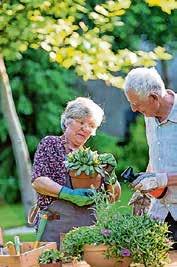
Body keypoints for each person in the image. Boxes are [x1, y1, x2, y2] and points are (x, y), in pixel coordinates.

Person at [31, 97, 121, 248]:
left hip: (90, 233)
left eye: (91, 125)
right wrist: (69, 194)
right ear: (67, 121)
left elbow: (113, 198)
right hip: (56, 230)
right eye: (81, 122)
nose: (86, 128)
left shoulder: (93, 159)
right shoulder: (51, 144)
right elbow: (38, 181)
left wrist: (110, 176)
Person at [124, 67, 177, 249]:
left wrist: (161, 179)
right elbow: (156, 157)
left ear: (154, 98)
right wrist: (145, 188)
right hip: (161, 213)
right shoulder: (150, 116)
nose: (133, 108)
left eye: (137, 103)